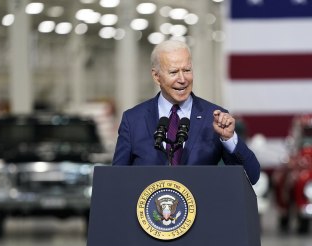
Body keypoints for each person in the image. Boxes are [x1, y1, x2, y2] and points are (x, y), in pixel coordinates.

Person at [112, 39, 261, 185]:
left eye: (187, 70)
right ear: (156, 76)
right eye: (173, 72)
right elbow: (116, 182)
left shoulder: (215, 117)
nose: (182, 79)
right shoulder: (133, 120)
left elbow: (251, 176)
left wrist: (229, 139)